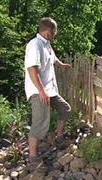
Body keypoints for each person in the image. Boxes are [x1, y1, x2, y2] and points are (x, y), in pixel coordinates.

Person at [24, 17, 71, 167]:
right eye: (54, 31)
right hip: (39, 91)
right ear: (49, 31)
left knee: (65, 109)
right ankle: (32, 156)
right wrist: (41, 91)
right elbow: (31, 69)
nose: (55, 34)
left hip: (50, 90)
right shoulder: (35, 45)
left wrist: (61, 64)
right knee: (40, 123)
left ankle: (58, 138)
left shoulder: (47, 45)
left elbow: (53, 58)